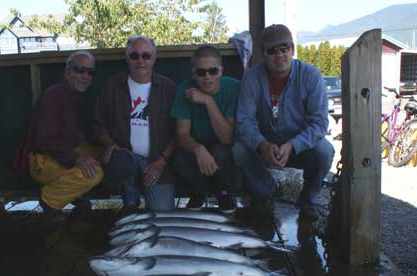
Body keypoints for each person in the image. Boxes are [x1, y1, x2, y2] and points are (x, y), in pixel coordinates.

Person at [234, 24, 335, 220]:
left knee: (324, 151)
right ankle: (263, 194)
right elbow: (244, 121)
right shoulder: (251, 78)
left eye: (284, 48)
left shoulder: (311, 75)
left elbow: (320, 123)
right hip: (264, 145)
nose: (279, 54)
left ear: (293, 49)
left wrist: (293, 145)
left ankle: (308, 200)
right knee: (238, 148)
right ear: (263, 54)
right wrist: (262, 145)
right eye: (271, 50)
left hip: (299, 145)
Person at [95, 36, 176, 211]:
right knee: (123, 160)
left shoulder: (168, 88)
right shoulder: (112, 86)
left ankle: (139, 196)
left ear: (154, 58)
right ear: (127, 58)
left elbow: (178, 132)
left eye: (146, 55)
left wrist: (161, 162)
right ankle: (129, 200)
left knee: (162, 213)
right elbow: (98, 123)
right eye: (134, 56)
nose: (140, 61)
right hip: (125, 162)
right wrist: (109, 145)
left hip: (157, 164)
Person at [28, 50, 104, 218]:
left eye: (90, 72)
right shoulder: (53, 96)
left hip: (62, 153)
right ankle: (49, 200)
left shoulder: (75, 96)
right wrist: (77, 159)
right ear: (67, 72)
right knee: (94, 173)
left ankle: (73, 194)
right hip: (42, 161)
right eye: (80, 70)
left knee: (106, 155)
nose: (85, 76)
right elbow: (45, 141)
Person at [171, 45, 239, 214]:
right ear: (194, 73)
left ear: (221, 71)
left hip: (222, 148)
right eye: (201, 72)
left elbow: (227, 138)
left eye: (213, 71)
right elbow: (181, 135)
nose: (207, 77)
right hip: (197, 144)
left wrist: (208, 101)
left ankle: (223, 193)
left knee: (223, 150)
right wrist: (198, 149)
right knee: (180, 157)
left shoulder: (234, 88)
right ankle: (198, 192)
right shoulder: (183, 89)